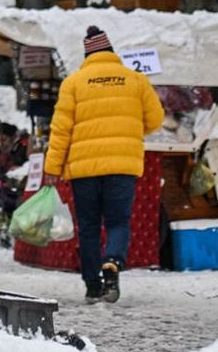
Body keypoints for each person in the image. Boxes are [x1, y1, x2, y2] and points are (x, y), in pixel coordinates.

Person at [43, 26, 165, 303]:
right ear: (111, 53)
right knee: (118, 222)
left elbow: (60, 130)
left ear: (88, 54)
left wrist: (52, 168)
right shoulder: (135, 80)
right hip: (122, 167)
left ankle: (92, 286)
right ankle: (112, 263)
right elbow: (156, 119)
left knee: (88, 226)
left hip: (83, 171)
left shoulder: (73, 83)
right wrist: (131, 129)